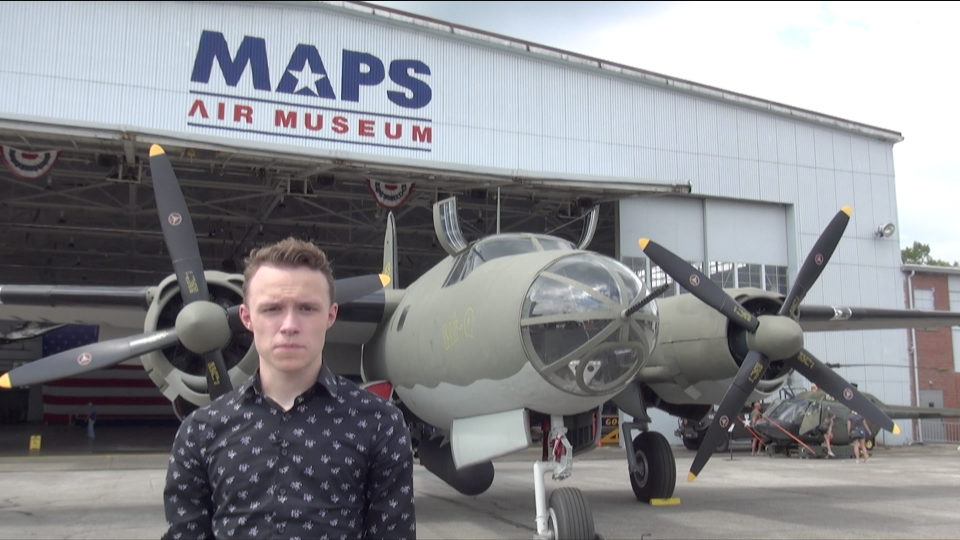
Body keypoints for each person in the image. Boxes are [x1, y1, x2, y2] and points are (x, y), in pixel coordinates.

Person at [162, 237, 416, 539]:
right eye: (272, 309)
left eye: (307, 308)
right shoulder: (200, 432)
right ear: (246, 318)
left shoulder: (379, 424)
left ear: (331, 315)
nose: (289, 325)